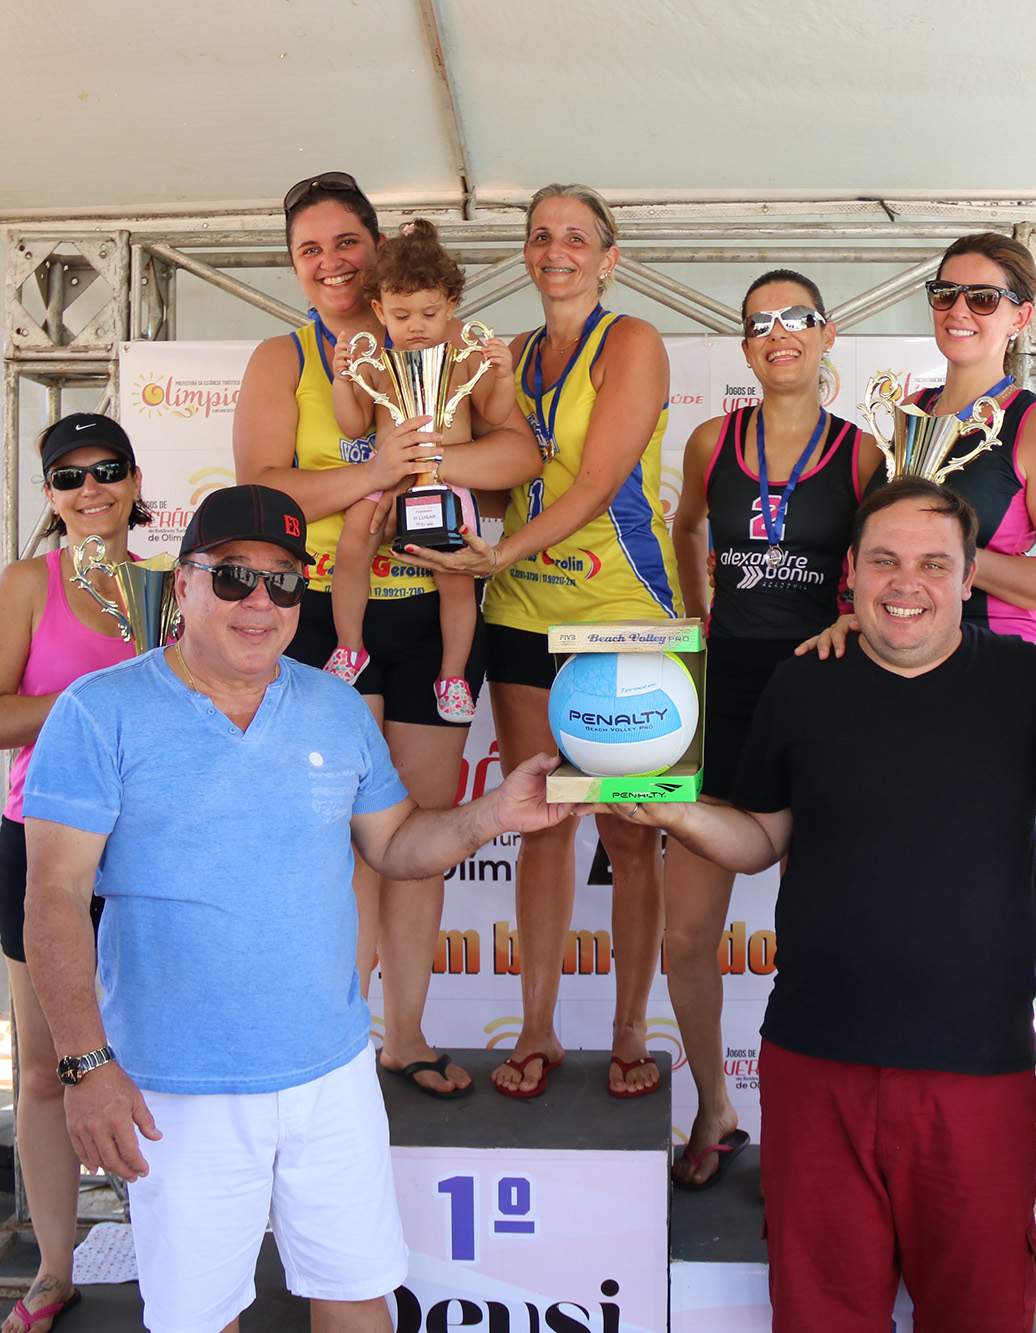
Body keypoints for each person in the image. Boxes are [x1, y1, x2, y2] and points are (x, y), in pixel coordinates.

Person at [21, 485, 575, 1333]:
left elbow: (394, 846)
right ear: (184, 582)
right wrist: (86, 1066)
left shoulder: (334, 705)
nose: (261, 601)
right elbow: (53, 897)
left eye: (284, 582)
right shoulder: (99, 712)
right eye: (235, 576)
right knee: (200, 1318)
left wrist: (497, 810)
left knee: (359, 1298)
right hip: (178, 1089)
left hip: (332, 1070)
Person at [605, 479, 1036, 1331]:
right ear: (848, 572)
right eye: (884, 560)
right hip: (817, 1064)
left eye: (933, 563)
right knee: (820, 1313)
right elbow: (761, 840)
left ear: (969, 580)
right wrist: (673, 811)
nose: (905, 582)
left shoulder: (1032, 684)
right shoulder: (802, 683)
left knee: (982, 1312)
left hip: (978, 1072)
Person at [233, 172, 543, 1101]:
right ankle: (336, 1044)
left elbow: (521, 455)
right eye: (309, 251)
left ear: (379, 253)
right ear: (295, 268)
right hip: (327, 611)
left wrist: (434, 461)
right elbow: (260, 490)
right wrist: (377, 474)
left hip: (438, 604)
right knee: (339, 843)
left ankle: (404, 1037)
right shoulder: (285, 358)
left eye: (344, 244)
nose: (330, 263)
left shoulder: (456, 347)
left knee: (420, 835)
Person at [399, 184, 681, 1101]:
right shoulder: (504, 354)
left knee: (632, 836)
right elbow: (490, 471)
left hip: (619, 613)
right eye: (539, 236)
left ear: (608, 257)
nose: (554, 249)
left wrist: (497, 552)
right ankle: (537, 1027)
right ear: (525, 254)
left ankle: (632, 1029)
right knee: (543, 822)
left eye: (575, 237)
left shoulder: (630, 340)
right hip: (520, 610)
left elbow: (598, 483)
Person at [664, 269, 878, 1187]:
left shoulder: (864, 454)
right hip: (728, 697)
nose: (777, 333)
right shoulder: (712, 440)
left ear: (827, 335)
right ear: (746, 344)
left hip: (825, 696)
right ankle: (715, 1103)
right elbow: (682, 530)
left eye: (796, 319)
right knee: (686, 933)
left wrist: (853, 619)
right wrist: (694, 617)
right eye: (760, 322)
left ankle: (813, 1131)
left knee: (818, 935)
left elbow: (885, 559)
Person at [0, 412, 146, 1333]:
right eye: (69, 477)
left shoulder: (170, 585)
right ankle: (54, 1268)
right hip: (41, 843)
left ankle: (177, 1250)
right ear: (49, 497)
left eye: (106, 469)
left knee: (162, 1061)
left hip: (153, 848)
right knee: (46, 1067)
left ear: (135, 479)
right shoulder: (27, 584)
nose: (90, 489)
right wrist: (93, 702)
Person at [328, 218, 517, 724]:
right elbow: (351, 426)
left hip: (449, 488)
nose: (415, 325)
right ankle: (350, 647)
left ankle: (452, 675)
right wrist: (342, 379)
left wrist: (503, 376)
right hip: (387, 481)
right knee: (352, 547)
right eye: (401, 313)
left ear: (452, 307)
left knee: (456, 579)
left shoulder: (463, 361)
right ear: (378, 310)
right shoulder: (374, 365)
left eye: (430, 313)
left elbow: (496, 418)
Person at [903, 232, 1036, 640]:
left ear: (1019, 318)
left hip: (990, 653)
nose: (959, 311)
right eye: (945, 293)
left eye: (982, 298)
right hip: (893, 644)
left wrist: (955, 559)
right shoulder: (909, 410)